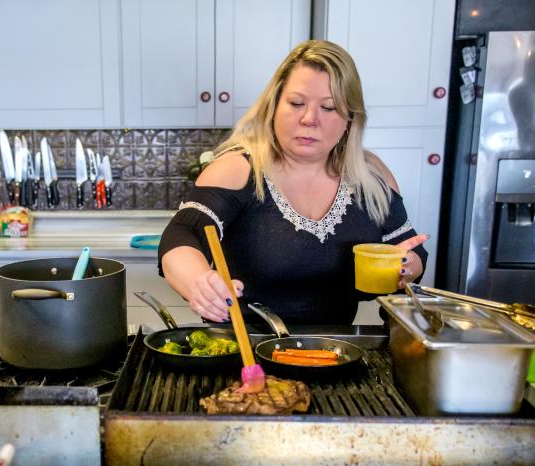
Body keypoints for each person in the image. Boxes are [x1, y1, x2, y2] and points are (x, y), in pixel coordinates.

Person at [158, 40, 428, 325]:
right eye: (297, 103)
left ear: (350, 118)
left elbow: (409, 249)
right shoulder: (237, 169)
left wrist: (407, 267)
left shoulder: (370, 175)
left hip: (334, 351)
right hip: (244, 353)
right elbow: (180, 237)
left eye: (329, 107)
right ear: (274, 106)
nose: (309, 119)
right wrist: (200, 282)